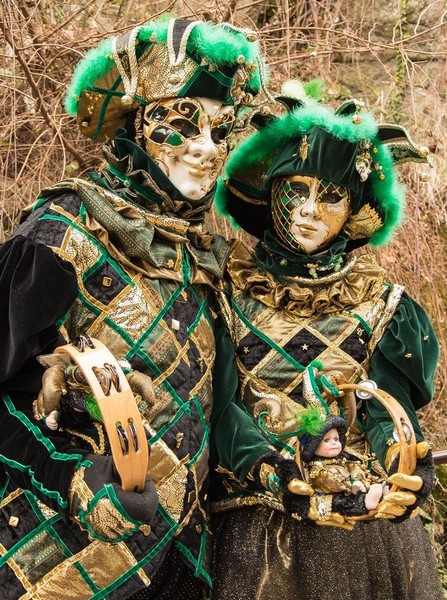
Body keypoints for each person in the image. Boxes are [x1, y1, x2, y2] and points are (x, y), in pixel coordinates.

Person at [0, 17, 283, 600]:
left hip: (180, 564)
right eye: (180, 125)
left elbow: (216, 403)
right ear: (134, 128)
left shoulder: (200, 254)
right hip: (57, 564)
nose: (206, 149)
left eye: (219, 130)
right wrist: (72, 476)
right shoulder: (53, 240)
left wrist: (281, 461)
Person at [209, 87, 444, 599]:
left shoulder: (383, 304)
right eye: (295, 189)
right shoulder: (223, 292)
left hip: (365, 527)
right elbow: (219, 406)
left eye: (331, 195)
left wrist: (400, 457)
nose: (307, 211)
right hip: (256, 531)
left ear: (357, 208)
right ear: (270, 191)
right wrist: (267, 466)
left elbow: (385, 406)